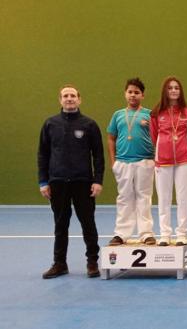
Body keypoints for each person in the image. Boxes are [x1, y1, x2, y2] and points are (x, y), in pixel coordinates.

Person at [38, 85, 104, 279]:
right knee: (60, 225)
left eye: (72, 95)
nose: (69, 99)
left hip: (83, 183)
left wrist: (98, 180)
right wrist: (43, 181)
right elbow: (43, 154)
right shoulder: (50, 124)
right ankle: (60, 264)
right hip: (57, 182)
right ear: (60, 100)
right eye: (65, 96)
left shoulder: (89, 125)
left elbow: (98, 156)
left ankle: (92, 262)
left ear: (79, 99)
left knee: (88, 223)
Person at [107, 78, 156, 246]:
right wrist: (114, 162)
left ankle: (146, 233)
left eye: (136, 92)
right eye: (130, 92)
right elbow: (111, 138)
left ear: (143, 95)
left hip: (145, 161)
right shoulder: (118, 115)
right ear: (125, 94)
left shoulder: (150, 114)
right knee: (124, 198)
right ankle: (121, 234)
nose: (133, 95)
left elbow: (158, 137)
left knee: (144, 197)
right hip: (123, 163)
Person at [151, 77, 187, 246]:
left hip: (184, 160)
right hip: (163, 161)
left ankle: (182, 233)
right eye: (170, 88)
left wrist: (182, 149)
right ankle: (164, 233)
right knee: (164, 198)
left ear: (180, 91)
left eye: (176, 87)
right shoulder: (156, 113)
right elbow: (154, 136)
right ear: (165, 91)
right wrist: (164, 149)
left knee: (184, 197)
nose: (173, 90)